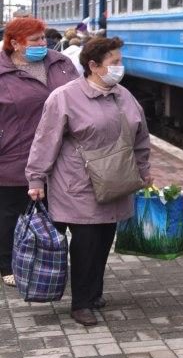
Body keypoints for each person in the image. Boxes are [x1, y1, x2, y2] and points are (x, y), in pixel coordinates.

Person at [26, 36, 152, 326]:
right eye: (114, 62)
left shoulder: (124, 95)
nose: (120, 68)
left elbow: (141, 136)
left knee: (103, 240)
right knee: (85, 243)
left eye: (120, 61)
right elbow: (45, 141)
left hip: (116, 183)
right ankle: (80, 303)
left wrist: (144, 169)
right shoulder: (65, 97)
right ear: (93, 66)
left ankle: (94, 293)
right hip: (78, 185)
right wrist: (35, 178)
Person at [0, 18, 78, 288]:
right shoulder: (2, 70)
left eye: (43, 38)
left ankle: (47, 260)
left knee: (54, 212)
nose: (42, 44)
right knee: (13, 212)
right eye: (34, 40)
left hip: (60, 153)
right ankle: (8, 263)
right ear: (14, 43)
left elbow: (77, 94)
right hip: (14, 152)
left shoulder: (60, 63)